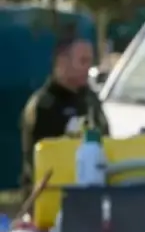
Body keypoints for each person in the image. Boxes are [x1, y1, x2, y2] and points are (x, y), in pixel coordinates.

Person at [20, 31, 109, 194]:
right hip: (51, 194)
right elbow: (38, 163)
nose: (89, 67)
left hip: (90, 195)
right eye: (83, 61)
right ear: (62, 63)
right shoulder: (43, 106)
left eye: (90, 61)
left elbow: (106, 139)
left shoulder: (90, 100)